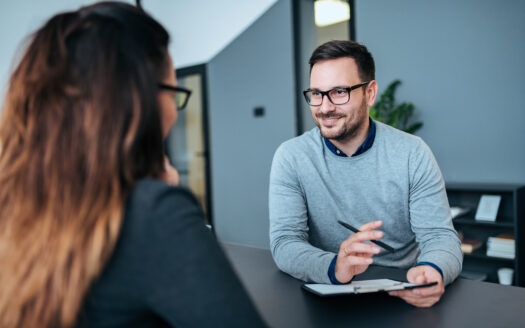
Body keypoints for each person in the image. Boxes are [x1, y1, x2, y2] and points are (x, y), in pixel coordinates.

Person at [0, 2, 266, 327]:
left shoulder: (14, 206)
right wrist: (164, 202)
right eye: (173, 92)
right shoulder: (153, 214)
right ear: (138, 102)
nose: (175, 111)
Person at [269, 40, 462, 308]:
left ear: (370, 93)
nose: (324, 107)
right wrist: (335, 266)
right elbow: (285, 243)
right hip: (326, 294)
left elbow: (440, 237)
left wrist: (432, 269)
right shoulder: (291, 157)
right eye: (316, 93)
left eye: (338, 92)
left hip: (402, 293)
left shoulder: (412, 153)